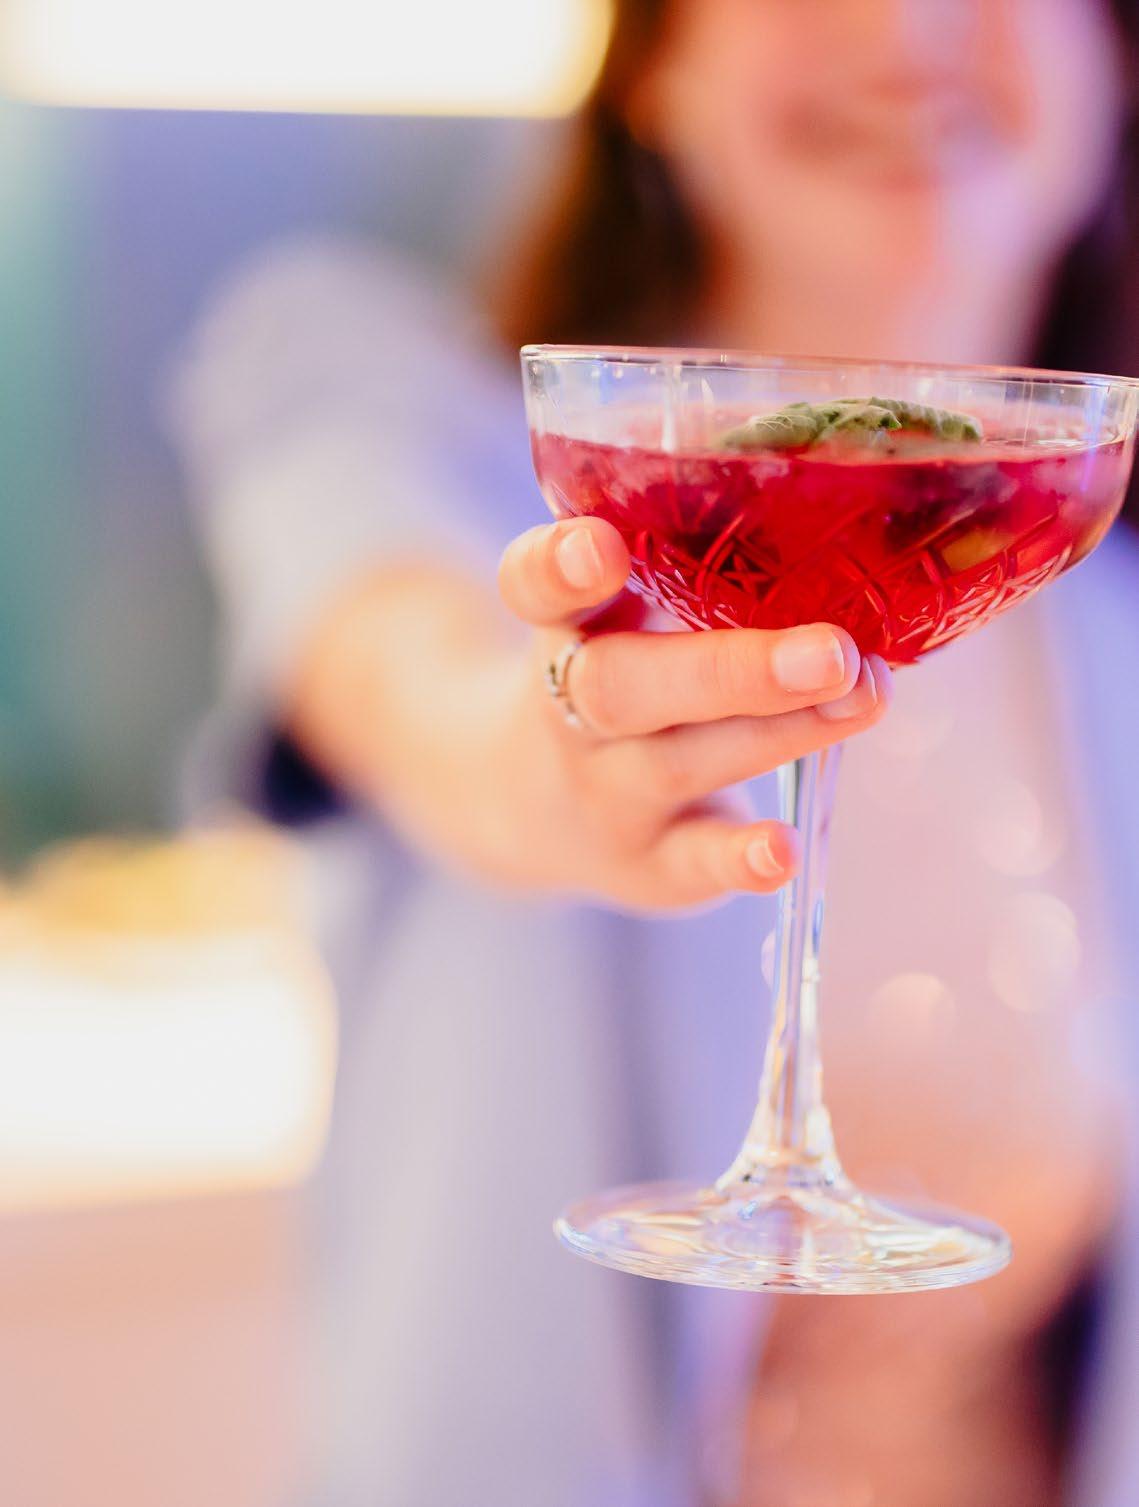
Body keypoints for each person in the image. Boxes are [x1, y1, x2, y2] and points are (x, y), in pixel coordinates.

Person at [166, 2, 1139, 1503]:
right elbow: (394, 642)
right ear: (653, 66)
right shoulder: (419, 401)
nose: (906, 29)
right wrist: (519, 753)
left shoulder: (1101, 599)